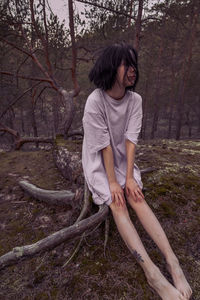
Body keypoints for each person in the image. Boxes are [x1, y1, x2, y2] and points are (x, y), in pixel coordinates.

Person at [82, 42, 192, 300]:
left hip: (122, 159)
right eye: (126, 64)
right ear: (112, 66)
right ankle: (151, 272)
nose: (133, 70)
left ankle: (172, 261)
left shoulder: (135, 100)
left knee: (136, 196)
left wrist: (129, 177)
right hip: (99, 161)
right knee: (117, 202)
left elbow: (131, 140)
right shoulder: (94, 101)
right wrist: (112, 183)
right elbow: (103, 146)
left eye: (134, 65)